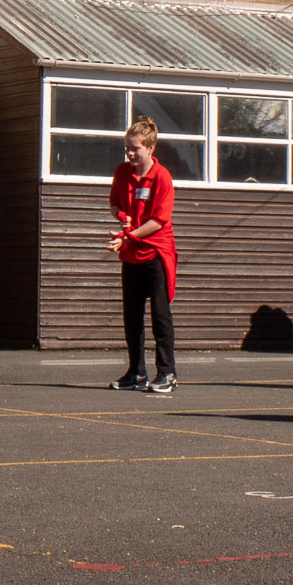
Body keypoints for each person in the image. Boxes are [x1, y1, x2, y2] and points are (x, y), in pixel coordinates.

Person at [109, 117, 178, 393]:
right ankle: (136, 373)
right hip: (131, 255)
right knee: (132, 316)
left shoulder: (162, 177)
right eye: (127, 148)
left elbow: (159, 221)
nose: (130, 153)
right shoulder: (122, 172)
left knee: (160, 315)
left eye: (135, 148)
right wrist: (123, 219)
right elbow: (114, 204)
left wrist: (129, 235)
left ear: (150, 148)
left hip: (157, 253)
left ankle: (167, 373)